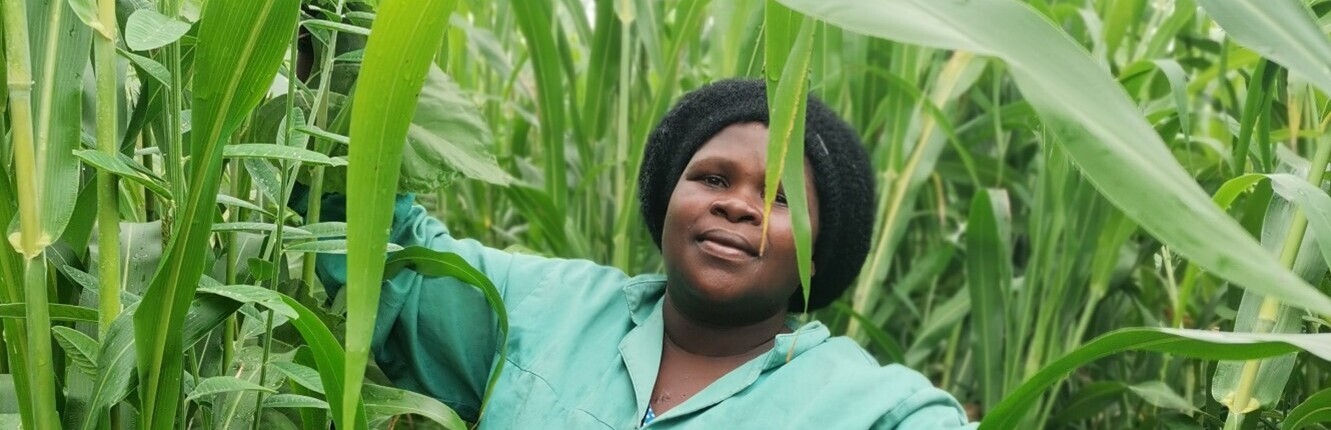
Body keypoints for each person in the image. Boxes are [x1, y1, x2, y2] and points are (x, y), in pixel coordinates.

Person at [305, 79, 975, 428]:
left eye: (776, 199)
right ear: (667, 202)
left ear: (819, 249)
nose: (736, 203)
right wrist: (338, 64)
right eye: (711, 177)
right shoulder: (551, 310)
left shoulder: (870, 407)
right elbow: (373, 250)